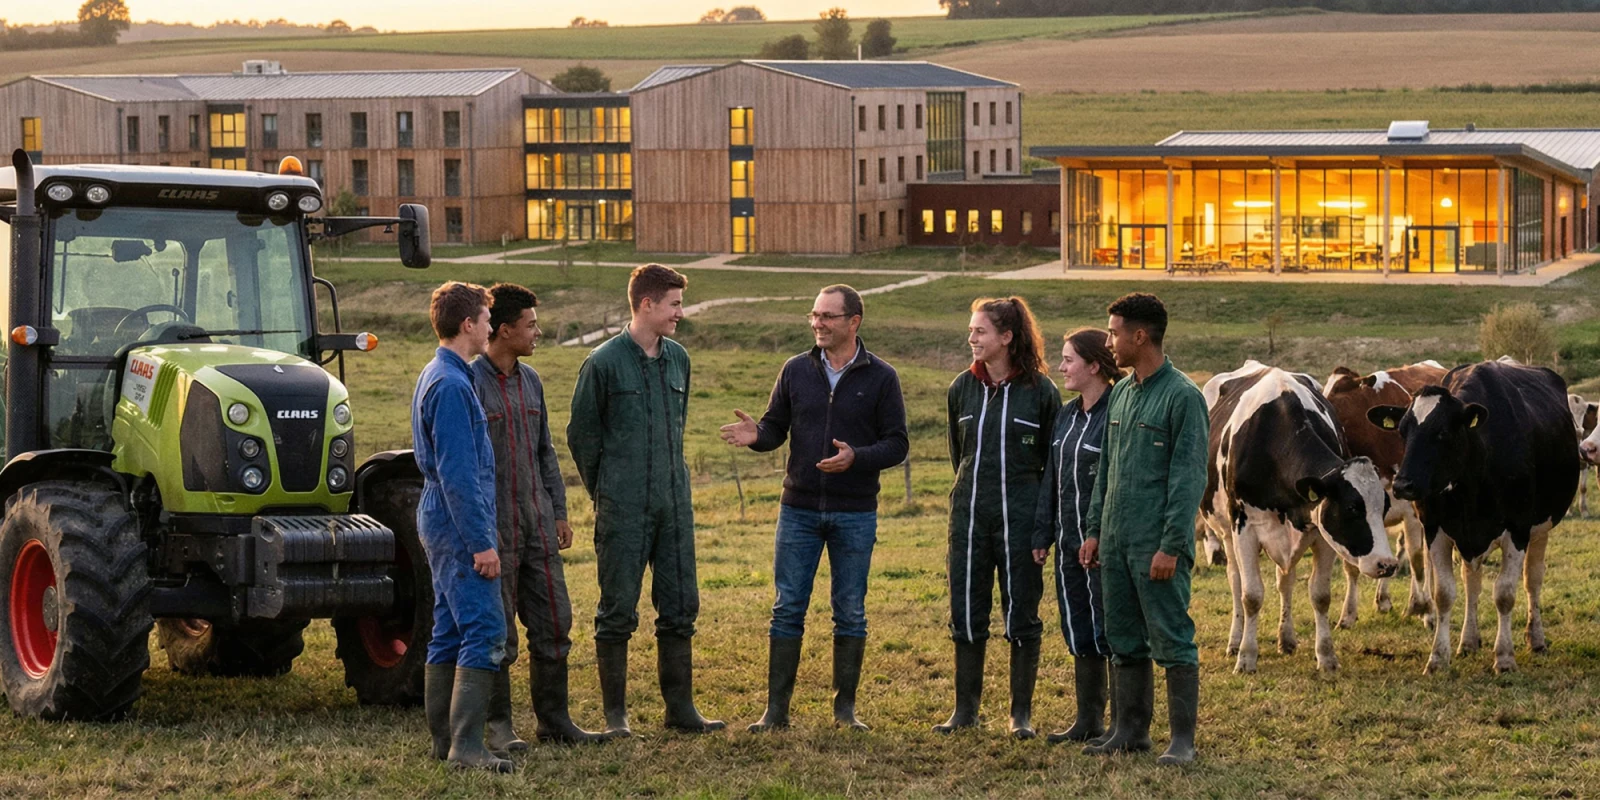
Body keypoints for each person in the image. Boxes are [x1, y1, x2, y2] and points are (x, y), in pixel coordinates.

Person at [719, 285, 909, 733]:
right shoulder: (795, 370)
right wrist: (756, 436)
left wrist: (856, 457)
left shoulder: (882, 377)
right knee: (787, 607)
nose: (818, 324)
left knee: (850, 610)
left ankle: (845, 712)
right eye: (814, 315)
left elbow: (897, 444)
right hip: (799, 509)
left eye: (828, 316)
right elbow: (774, 428)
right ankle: (776, 712)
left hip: (855, 512)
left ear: (854, 322)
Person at [568, 264, 724, 736]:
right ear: (647, 304)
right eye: (674, 304)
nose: (681, 312)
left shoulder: (679, 359)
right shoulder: (603, 362)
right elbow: (582, 436)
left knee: (680, 606)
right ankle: (616, 716)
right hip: (623, 506)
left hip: (674, 505)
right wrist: (610, 490)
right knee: (617, 609)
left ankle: (681, 709)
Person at [470, 282, 606, 747]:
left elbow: (546, 451)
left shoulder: (532, 381)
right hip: (494, 529)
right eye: (530, 326)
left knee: (555, 623)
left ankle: (555, 721)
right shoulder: (468, 383)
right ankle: (499, 725)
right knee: (498, 632)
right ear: (504, 330)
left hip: (538, 526)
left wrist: (559, 512)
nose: (538, 333)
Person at [1079, 292, 1208, 766]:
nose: (1108, 340)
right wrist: (1094, 531)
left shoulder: (1184, 397)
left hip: (1157, 545)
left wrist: (1172, 545)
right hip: (1115, 541)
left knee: (1172, 638)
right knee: (1123, 637)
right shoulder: (1121, 393)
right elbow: (1107, 470)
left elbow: (1189, 477)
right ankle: (1129, 731)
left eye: (1113, 332)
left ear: (1139, 336)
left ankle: (1182, 741)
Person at [936, 297, 1059, 739]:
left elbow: (1051, 468)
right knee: (966, 612)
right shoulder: (960, 389)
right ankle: (964, 710)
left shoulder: (1042, 393)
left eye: (980, 332)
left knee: (1021, 614)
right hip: (968, 519)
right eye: (971, 331)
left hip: (1022, 522)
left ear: (1007, 337)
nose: (972, 338)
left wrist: (1043, 526)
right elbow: (959, 456)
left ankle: (1019, 714)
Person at [412, 281, 512, 773]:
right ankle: (467, 747)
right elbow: (459, 475)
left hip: (438, 514)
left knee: (449, 628)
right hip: (456, 520)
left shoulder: (441, 373)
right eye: (487, 319)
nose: (492, 327)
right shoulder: (451, 386)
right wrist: (481, 544)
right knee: (486, 628)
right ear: (467, 324)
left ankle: (444, 741)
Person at [1031, 328, 1120, 745]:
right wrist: (1042, 532)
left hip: (1103, 544)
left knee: (1110, 628)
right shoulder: (1066, 415)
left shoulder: (1116, 412)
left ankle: (1121, 724)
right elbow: (1052, 476)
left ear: (1095, 366)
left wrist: (1099, 532)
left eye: (1068, 360)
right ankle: (1088, 719)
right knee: (1077, 626)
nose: (1061, 367)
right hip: (1068, 543)